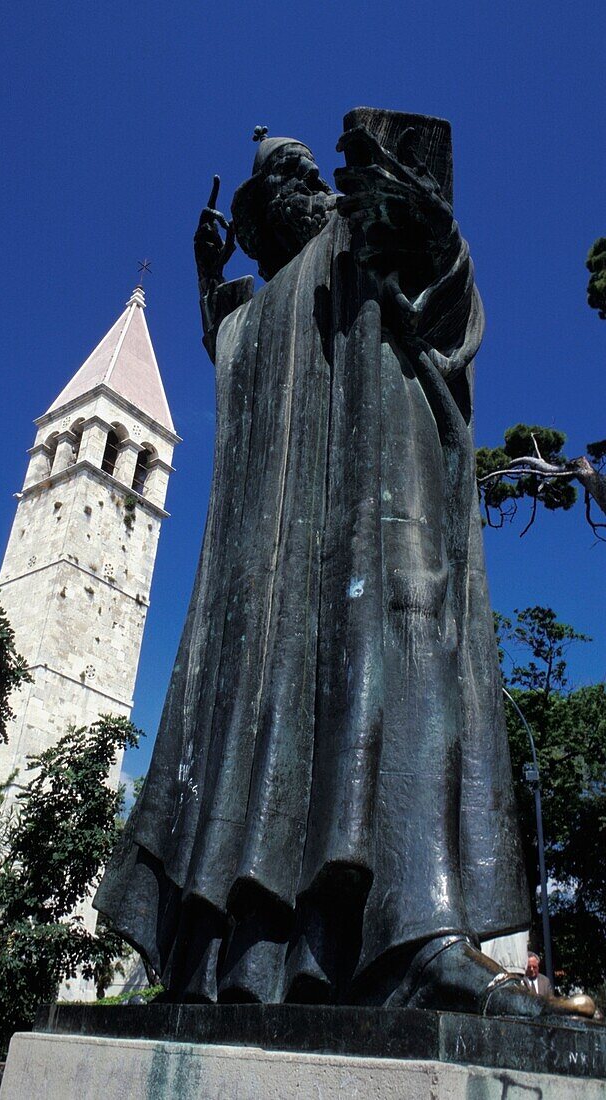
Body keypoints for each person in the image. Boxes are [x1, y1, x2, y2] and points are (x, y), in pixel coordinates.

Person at [95, 110, 593, 1020]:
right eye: (256, 212)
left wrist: (415, 211)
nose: (280, 207)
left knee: (402, 681)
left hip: (377, 528)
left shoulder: (357, 240)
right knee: (247, 729)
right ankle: (218, 956)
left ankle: (420, 937)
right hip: (267, 581)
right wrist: (210, 281)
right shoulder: (254, 311)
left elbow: (439, 280)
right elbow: (227, 346)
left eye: (291, 183)